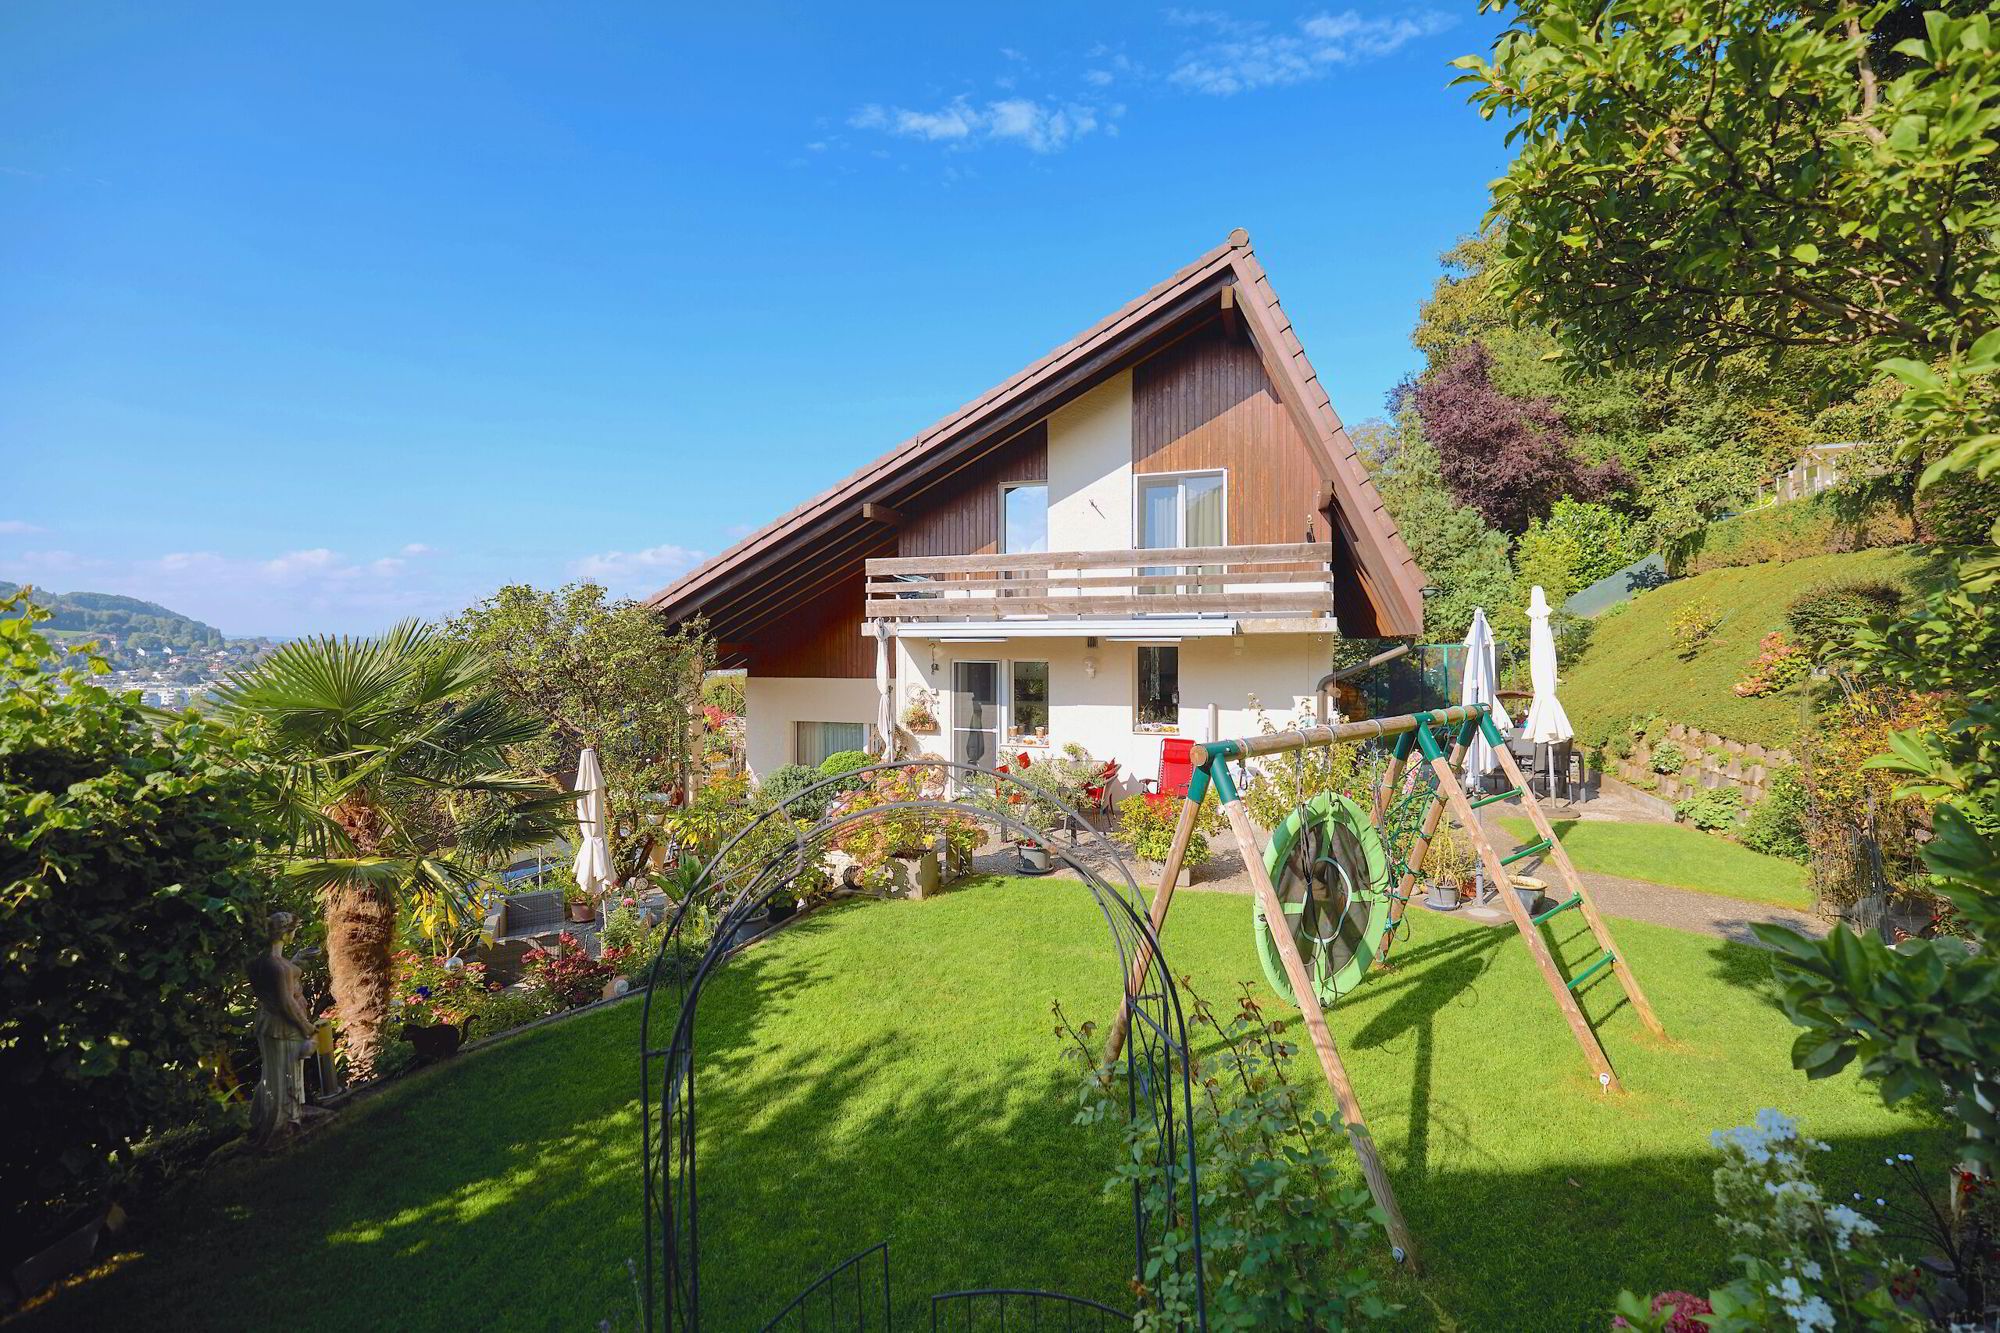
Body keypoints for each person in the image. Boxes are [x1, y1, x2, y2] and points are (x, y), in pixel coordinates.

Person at [246, 912, 318, 1145]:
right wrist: (306, 1026)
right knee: (285, 1075)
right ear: (286, 933)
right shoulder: (279, 968)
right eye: (293, 930)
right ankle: (282, 1125)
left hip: (267, 1023)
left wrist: (296, 959)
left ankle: (260, 1120)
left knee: (271, 1074)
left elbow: (275, 982)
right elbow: (286, 1002)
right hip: (284, 1026)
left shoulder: (256, 962)